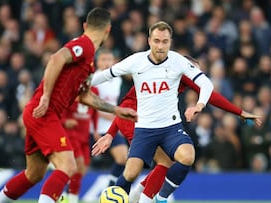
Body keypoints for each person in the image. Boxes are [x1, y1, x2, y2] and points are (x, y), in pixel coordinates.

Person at [0, 7, 137, 203]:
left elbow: (85, 96)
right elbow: (56, 58)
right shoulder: (83, 45)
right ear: (108, 30)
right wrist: (46, 96)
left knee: (33, 174)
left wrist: (117, 110)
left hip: (39, 114)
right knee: (68, 167)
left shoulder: (89, 61)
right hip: (45, 112)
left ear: (85, 25)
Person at [93, 58, 262, 203]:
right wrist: (239, 112)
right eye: (194, 69)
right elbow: (210, 95)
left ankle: (135, 197)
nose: (196, 74)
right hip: (136, 120)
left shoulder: (169, 76)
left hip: (136, 119)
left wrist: (111, 132)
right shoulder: (177, 70)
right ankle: (136, 198)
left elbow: (127, 104)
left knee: (162, 163)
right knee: (151, 166)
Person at [91, 21, 214, 203]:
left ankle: (160, 198)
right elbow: (106, 74)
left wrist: (199, 105)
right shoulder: (136, 61)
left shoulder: (178, 61)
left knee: (187, 156)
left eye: (165, 41)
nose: (160, 46)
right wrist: (78, 83)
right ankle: (127, 198)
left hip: (170, 128)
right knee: (131, 173)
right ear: (149, 41)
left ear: (170, 42)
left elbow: (206, 83)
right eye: (156, 41)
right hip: (144, 129)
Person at [92, 49, 129, 186]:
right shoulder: (93, 80)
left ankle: (109, 189)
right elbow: (90, 105)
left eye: (109, 60)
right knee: (78, 165)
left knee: (123, 158)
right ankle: (66, 192)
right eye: (103, 59)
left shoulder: (118, 81)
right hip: (92, 128)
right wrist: (111, 114)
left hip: (110, 128)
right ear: (97, 62)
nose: (107, 63)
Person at [59, 87, 99, 203]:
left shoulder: (94, 91)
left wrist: (95, 130)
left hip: (85, 136)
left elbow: (95, 111)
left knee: (82, 170)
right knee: (79, 166)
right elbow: (60, 111)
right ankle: (73, 199)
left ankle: (65, 194)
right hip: (71, 135)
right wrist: (65, 121)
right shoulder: (71, 89)